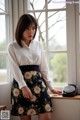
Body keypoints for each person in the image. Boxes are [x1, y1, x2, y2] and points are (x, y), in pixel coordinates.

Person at [8, 14, 62, 120]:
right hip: (21, 86)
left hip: (39, 84)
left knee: (46, 116)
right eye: (27, 28)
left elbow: (44, 68)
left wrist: (51, 87)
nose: (31, 32)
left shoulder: (38, 45)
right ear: (21, 29)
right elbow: (14, 68)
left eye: (33, 28)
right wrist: (23, 86)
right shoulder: (12, 46)